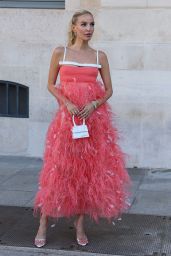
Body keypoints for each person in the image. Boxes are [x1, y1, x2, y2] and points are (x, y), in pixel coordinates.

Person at [33, 9, 132, 248]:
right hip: (67, 122)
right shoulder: (61, 52)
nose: (89, 29)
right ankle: (43, 222)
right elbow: (50, 83)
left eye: (91, 24)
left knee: (85, 174)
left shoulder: (100, 56)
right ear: (74, 27)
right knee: (58, 171)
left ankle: (79, 225)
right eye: (84, 24)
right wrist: (65, 101)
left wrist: (95, 103)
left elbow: (109, 90)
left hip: (92, 122)